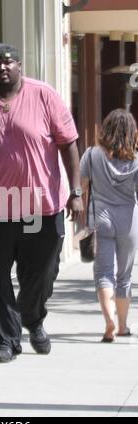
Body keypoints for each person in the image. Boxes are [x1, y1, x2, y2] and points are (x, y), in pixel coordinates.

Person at [0, 43, 83, 363]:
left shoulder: (44, 95)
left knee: (42, 272)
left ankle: (33, 318)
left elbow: (68, 143)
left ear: (20, 65)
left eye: (8, 62)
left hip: (41, 207)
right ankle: (7, 339)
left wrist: (76, 192)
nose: (2, 67)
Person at [80, 109, 138, 343]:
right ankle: (123, 325)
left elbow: (82, 186)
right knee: (124, 276)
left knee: (103, 274)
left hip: (101, 218)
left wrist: (81, 211)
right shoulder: (135, 160)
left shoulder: (91, 155)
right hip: (129, 219)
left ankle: (109, 323)